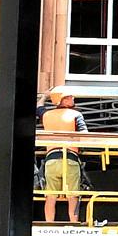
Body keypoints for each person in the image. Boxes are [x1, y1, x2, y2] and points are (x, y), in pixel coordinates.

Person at [39, 92, 86, 224]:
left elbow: (39, 108)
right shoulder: (76, 114)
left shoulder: (47, 115)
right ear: (61, 101)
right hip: (70, 159)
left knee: (50, 196)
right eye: (69, 97)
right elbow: (85, 136)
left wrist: (44, 96)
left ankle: (49, 223)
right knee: (73, 195)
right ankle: (73, 222)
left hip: (51, 160)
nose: (73, 98)